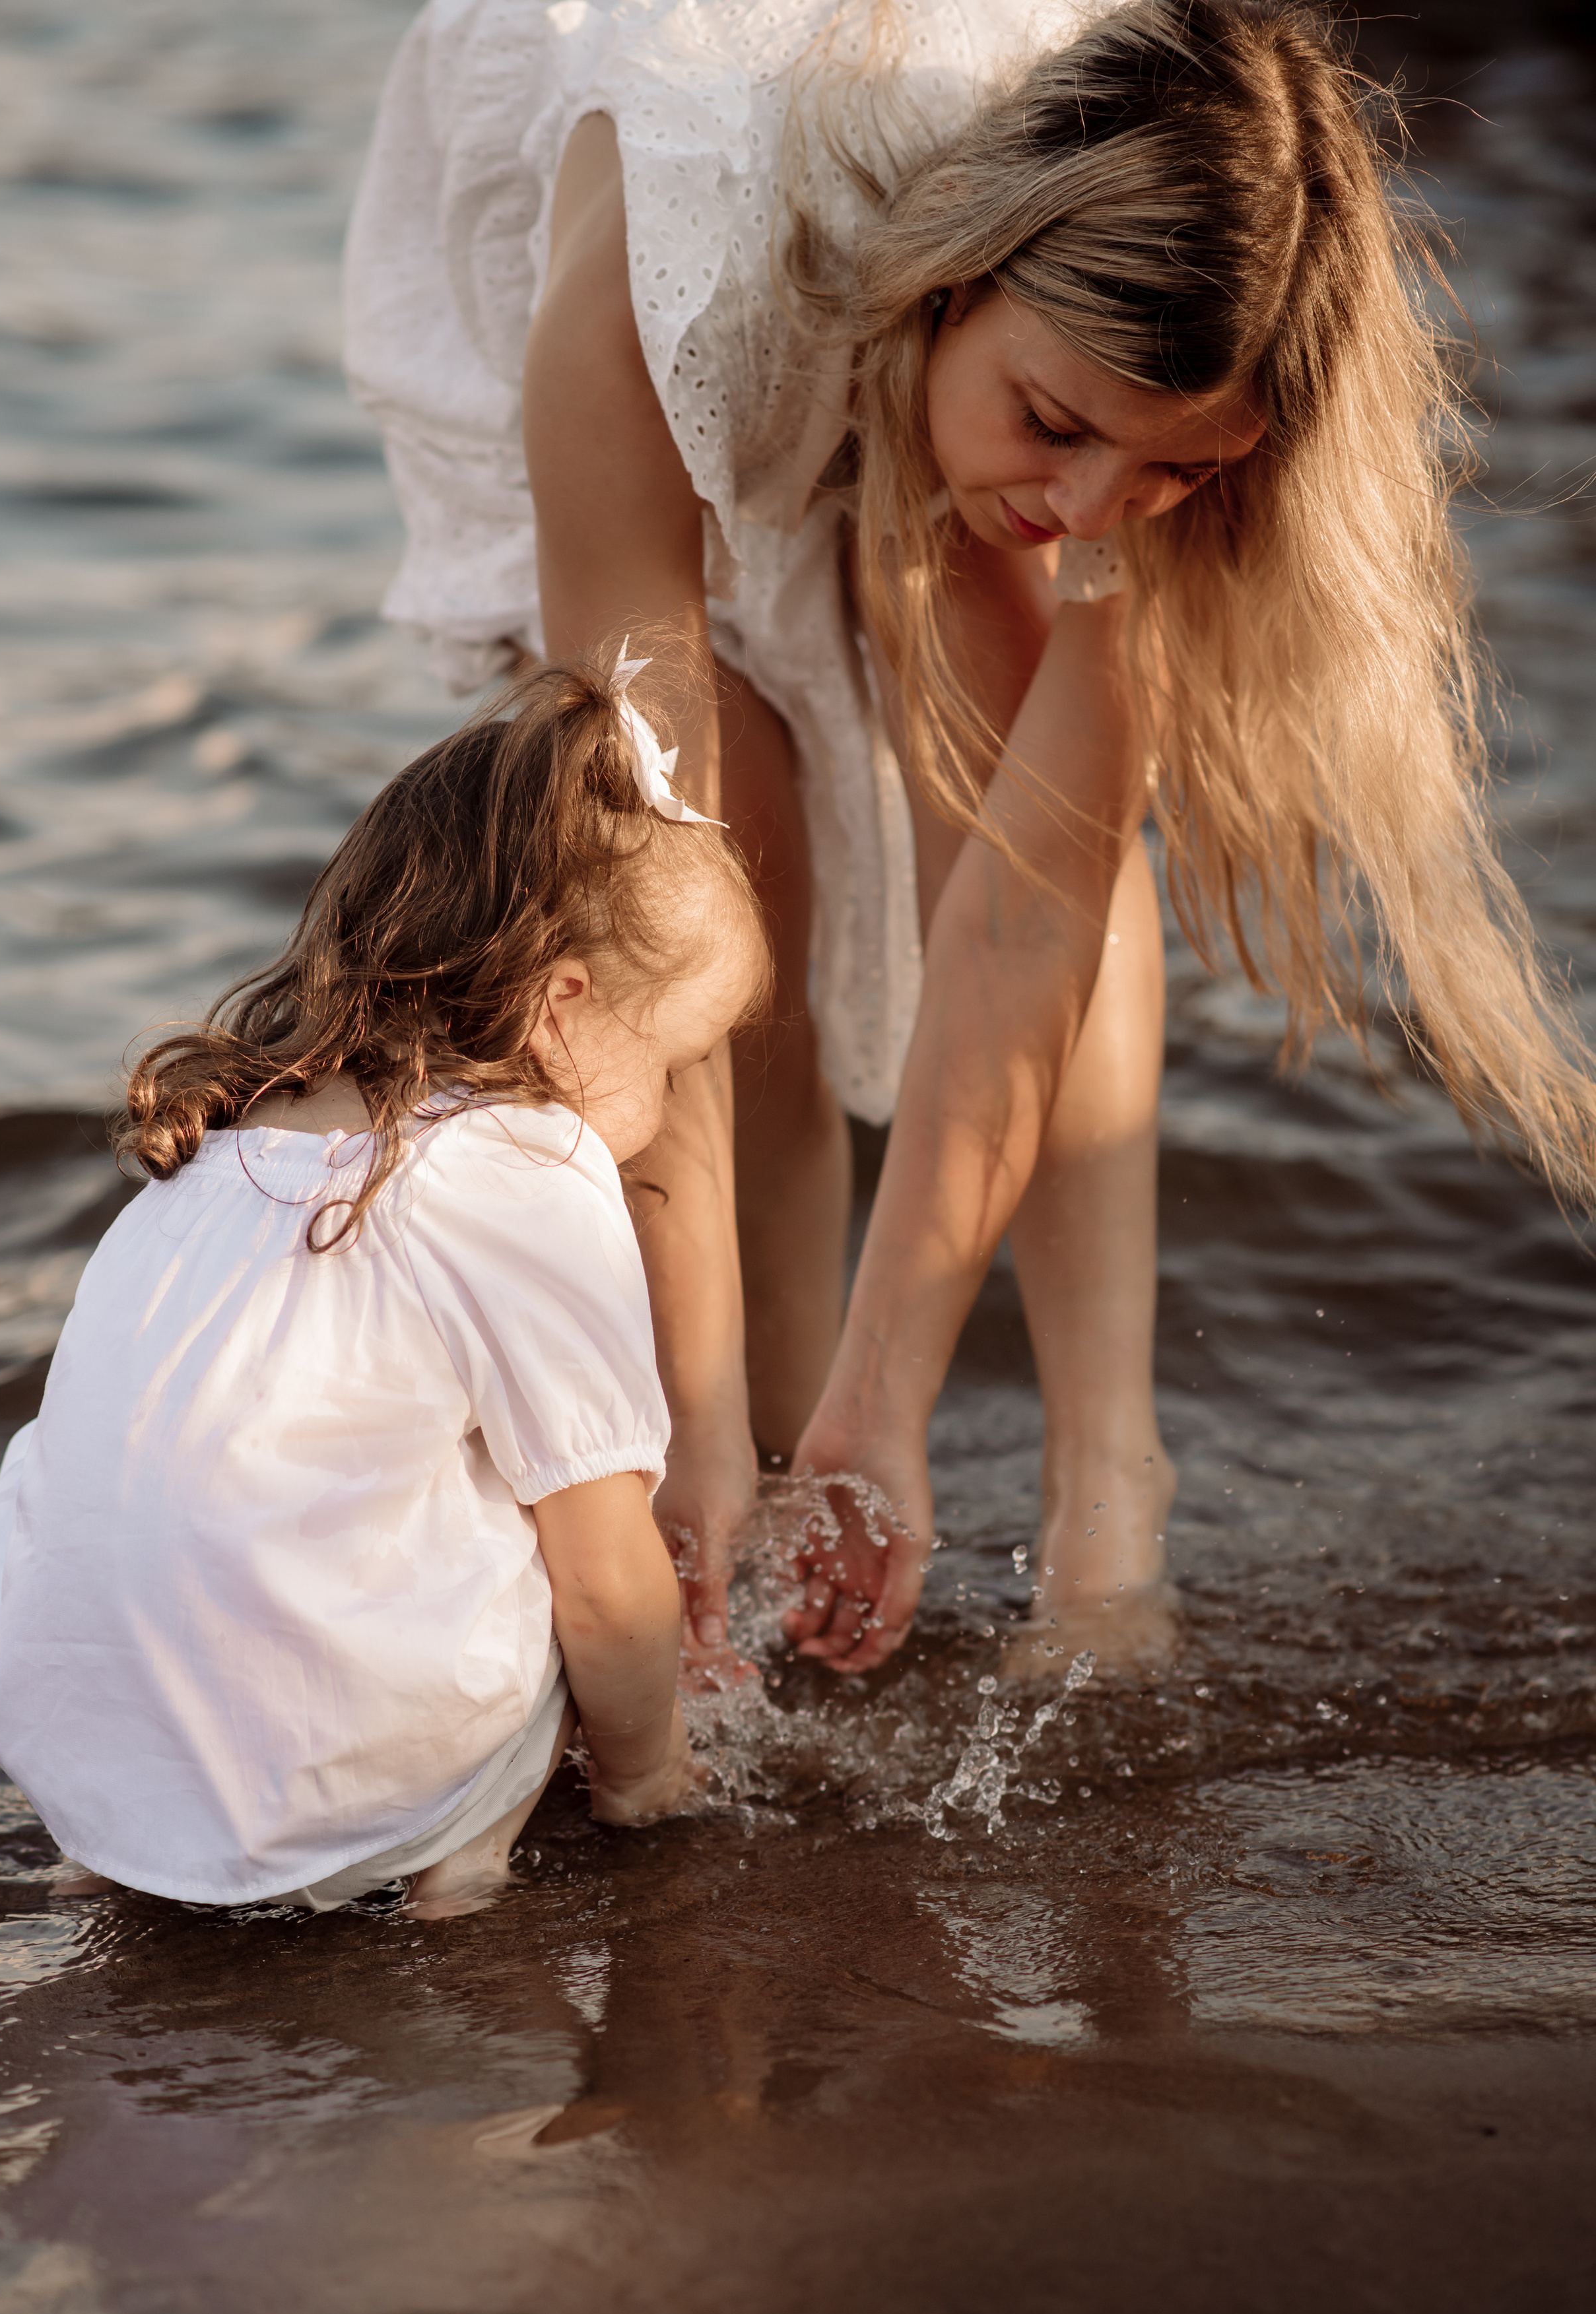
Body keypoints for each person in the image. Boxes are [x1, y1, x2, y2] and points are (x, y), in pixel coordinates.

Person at [345, 0, 1596, 1677]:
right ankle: (752, 1458)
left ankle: (1102, 1504)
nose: (1092, 512)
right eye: (1058, 429)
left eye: (1166, 477)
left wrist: (902, 1388)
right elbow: (638, 906)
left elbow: (1023, 916)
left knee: (1042, 796)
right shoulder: (657, 278)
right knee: (721, 869)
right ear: (955, 279)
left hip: (936, 251)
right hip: (704, 185)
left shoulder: (1143, 336)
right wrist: (697, 1420)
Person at [0, 657, 770, 1916]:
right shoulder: (530, 1169)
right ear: (562, 1007)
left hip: (85, 1755)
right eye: (677, 1063)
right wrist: (650, 1775)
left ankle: (132, 1864)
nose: (664, 1118)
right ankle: (457, 1876)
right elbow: (610, 1585)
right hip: (353, 1791)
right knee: (574, 1547)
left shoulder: (213, 1152)